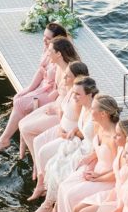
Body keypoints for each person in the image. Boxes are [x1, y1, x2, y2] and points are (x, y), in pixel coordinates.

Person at [43, 95, 120, 212]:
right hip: (95, 170)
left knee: (72, 195)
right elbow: (97, 150)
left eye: (93, 109)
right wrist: (89, 159)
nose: (90, 111)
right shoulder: (99, 126)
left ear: (103, 114)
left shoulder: (114, 138)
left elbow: (118, 170)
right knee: (64, 186)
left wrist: (98, 178)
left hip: (108, 179)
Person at [0, 22, 68, 156]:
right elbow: (40, 71)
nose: (44, 40)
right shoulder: (48, 49)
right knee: (18, 98)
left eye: (48, 38)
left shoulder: (62, 59)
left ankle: (5, 139)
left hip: (51, 93)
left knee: (20, 103)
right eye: (44, 36)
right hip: (43, 86)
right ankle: (16, 143)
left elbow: (61, 89)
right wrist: (28, 89)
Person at [30, 75, 98, 212]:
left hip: (90, 151)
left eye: (78, 94)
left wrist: (90, 158)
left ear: (89, 94)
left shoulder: (95, 113)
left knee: (61, 169)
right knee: (54, 164)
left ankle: (49, 205)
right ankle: (50, 202)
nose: (74, 96)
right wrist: (74, 131)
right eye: (73, 92)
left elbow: (101, 139)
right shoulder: (85, 108)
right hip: (81, 143)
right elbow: (85, 130)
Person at [30, 61, 90, 198]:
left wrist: (67, 133)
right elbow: (63, 110)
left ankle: (48, 189)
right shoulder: (70, 92)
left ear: (77, 78)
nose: (64, 78)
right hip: (61, 129)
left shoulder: (79, 100)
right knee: (37, 142)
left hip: (71, 137)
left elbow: (82, 127)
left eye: (67, 76)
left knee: (44, 152)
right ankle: (41, 181)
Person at [19, 37, 81, 167]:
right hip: (56, 105)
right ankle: (37, 162)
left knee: (26, 129)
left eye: (50, 51)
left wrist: (57, 110)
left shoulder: (70, 73)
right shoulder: (58, 67)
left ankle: (38, 166)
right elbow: (58, 89)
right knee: (22, 123)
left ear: (59, 54)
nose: (47, 53)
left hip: (63, 113)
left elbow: (72, 101)